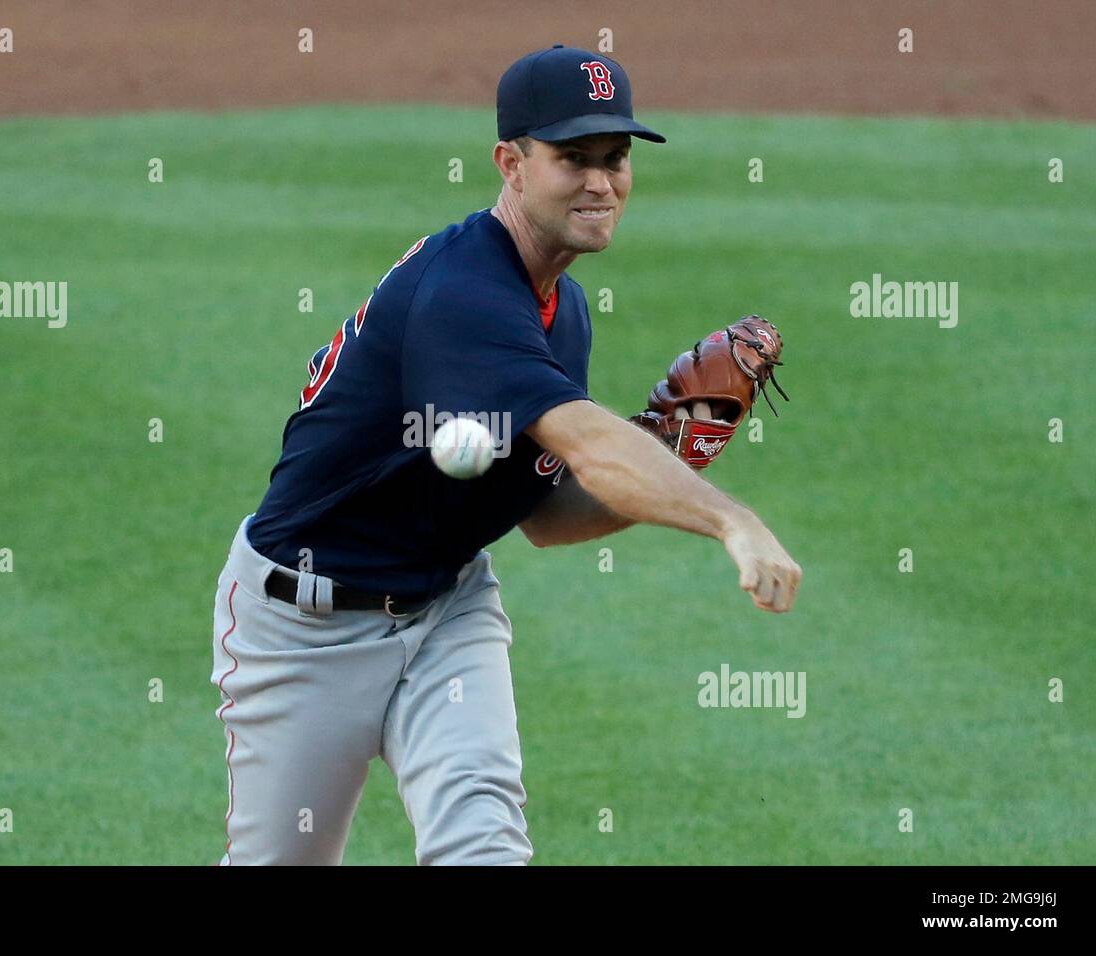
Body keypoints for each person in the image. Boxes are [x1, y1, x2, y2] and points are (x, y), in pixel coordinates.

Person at [211, 44, 801, 866]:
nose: (600, 182)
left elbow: (550, 516)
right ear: (511, 164)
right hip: (304, 626)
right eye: (573, 159)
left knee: (483, 850)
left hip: (447, 609)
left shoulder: (564, 310)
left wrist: (675, 453)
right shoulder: (466, 296)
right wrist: (731, 523)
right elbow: (590, 442)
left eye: (615, 158)